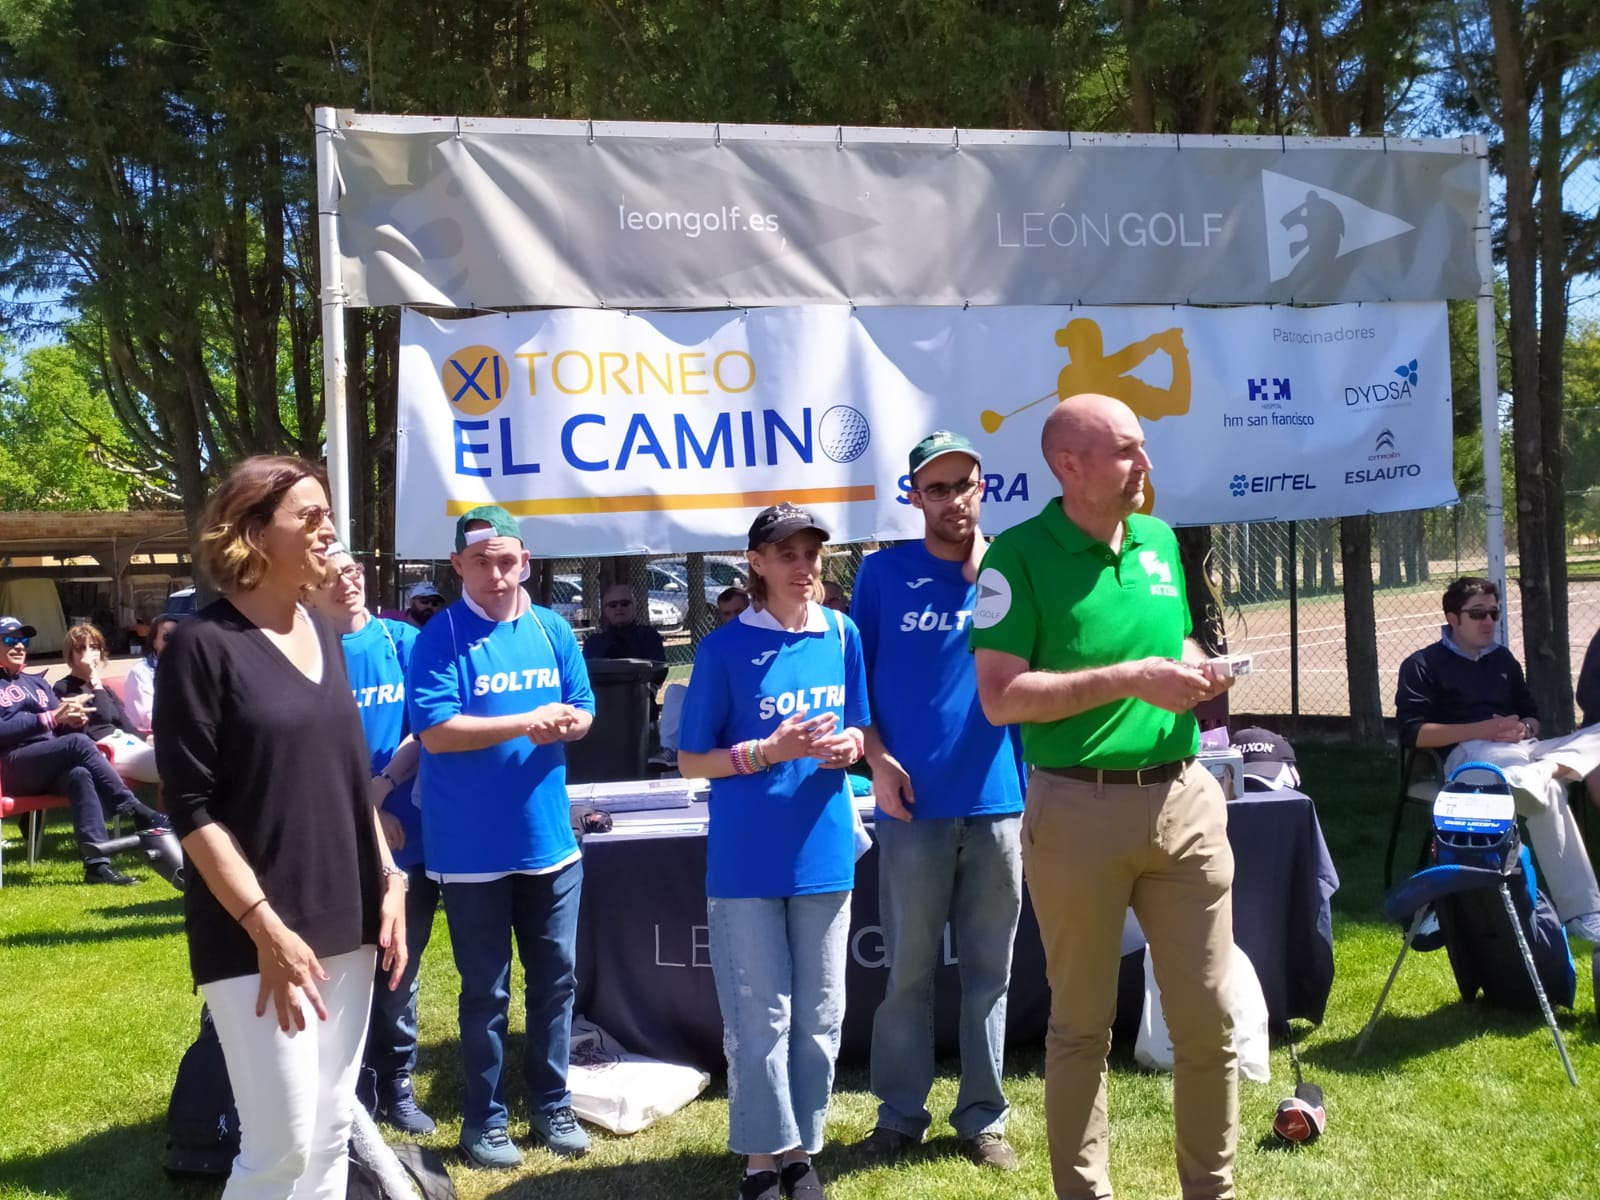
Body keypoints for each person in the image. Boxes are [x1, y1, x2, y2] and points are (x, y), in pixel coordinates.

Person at [970, 394, 1238, 1200]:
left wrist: (1197, 666)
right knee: (1081, 1028)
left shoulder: (1158, 540)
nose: (1145, 465)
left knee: (1208, 1024)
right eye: (1126, 451)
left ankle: (1212, 1192)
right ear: (1069, 465)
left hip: (1185, 802)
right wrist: (1128, 681)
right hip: (1075, 809)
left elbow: (1171, 642)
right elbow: (1002, 698)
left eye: (1144, 448)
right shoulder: (1013, 558)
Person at [154, 455, 408, 1200]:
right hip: (257, 935)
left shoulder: (323, 632)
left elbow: (346, 780)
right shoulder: (202, 647)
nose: (329, 529)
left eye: (329, 514)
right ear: (253, 531)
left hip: (352, 915)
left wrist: (389, 880)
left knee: (331, 1133)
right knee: (281, 1148)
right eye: (311, 515)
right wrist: (265, 928)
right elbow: (190, 808)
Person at [677, 503, 870, 1200]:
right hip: (747, 861)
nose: (803, 568)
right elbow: (692, 761)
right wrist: (768, 751)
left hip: (824, 851)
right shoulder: (725, 649)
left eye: (812, 554)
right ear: (756, 563)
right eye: (786, 555)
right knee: (762, 1017)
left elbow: (858, 732)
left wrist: (848, 750)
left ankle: (800, 1149)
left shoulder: (841, 632)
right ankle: (762, 1157)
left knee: (820, 1016)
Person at [849, 432, 1027, 1171]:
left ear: (984, 488)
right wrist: (879, 761)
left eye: (964, 485)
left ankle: (982, 1119)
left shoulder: (1010, 571)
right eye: (937, 488)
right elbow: (854, 683)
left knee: (990, 971)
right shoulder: (883, 575)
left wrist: (992, 574)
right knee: (910, 973)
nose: (952, 500)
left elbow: (1036, 670)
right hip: (911, 806)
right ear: (914, 496)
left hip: (997, 801)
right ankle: (899, 1116)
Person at [406, 504, 595, 1169]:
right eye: (481, 561)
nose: (496, 572)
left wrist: (569, 724)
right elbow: (435, 732)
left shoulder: (551, 630)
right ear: (458, 565)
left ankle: (552, 1103)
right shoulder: (440, 636)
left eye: (507, 560)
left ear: (527, 563)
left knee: (556, 983)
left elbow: (584, 708)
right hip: (471, 851)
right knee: (485, 992)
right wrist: (526, 722)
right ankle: (483, 1122)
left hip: (550, 844)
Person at [306, 543, 437, 1136]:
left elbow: (425, 728)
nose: (346, 583)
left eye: (352, 571)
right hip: (333, 833)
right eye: (331, 576)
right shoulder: (304, 653)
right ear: (309, 587)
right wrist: (361, 810)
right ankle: (350, 1085)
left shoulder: (401, 643)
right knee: (343, 964)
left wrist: (381, 789)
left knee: (397, 966)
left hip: (405, 827)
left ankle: (398, 1082)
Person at [1395, 577, 1600, 943]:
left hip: (1524, 751)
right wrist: (1481, 729)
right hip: (1470, 755)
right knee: (1549, 793)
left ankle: (1539, 772)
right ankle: (1583, 913)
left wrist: (1522, 727)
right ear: (1452, 618)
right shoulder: (1422, 664)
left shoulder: (1503, 659)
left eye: (1493, 613)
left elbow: (1532, 715)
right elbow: (1414, 733)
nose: (1488, 621)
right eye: (1477, 614)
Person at [0, 615, 169, 885]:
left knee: (80, 775)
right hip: (11, 765)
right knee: (78, 745)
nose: (19, 646)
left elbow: (61, 726)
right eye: (10, 640)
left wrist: (74, 719)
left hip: (46, 759)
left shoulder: (38, 684)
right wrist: (50, 718)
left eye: (23, 640)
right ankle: (134, 810)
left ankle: (97, 865)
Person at [53, 623, 160, 784]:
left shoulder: (106, 690)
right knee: (168, 765)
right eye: (81, 648)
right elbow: (101, 719)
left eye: (94, 647)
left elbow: (128, 727)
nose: (89, 653)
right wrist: (95, 682)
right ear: (71, 655)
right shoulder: (64, 687)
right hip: (102, 751)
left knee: (180, 755)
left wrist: (159, 740)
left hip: (127, 742)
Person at [583, 583, 667, 663]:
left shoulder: (648, 637)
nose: (619, 608)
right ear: (604, 610)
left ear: (634, 606)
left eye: (624, 604)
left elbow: (659, 670)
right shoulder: (593, 644)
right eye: (613, 605)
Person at [124, 612, 178, 731]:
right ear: (154, 642)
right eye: (167, 637)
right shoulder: (141, 673)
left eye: (178, 637)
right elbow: (149, 719)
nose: (174, 643)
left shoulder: (187, 671)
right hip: (147, 737)